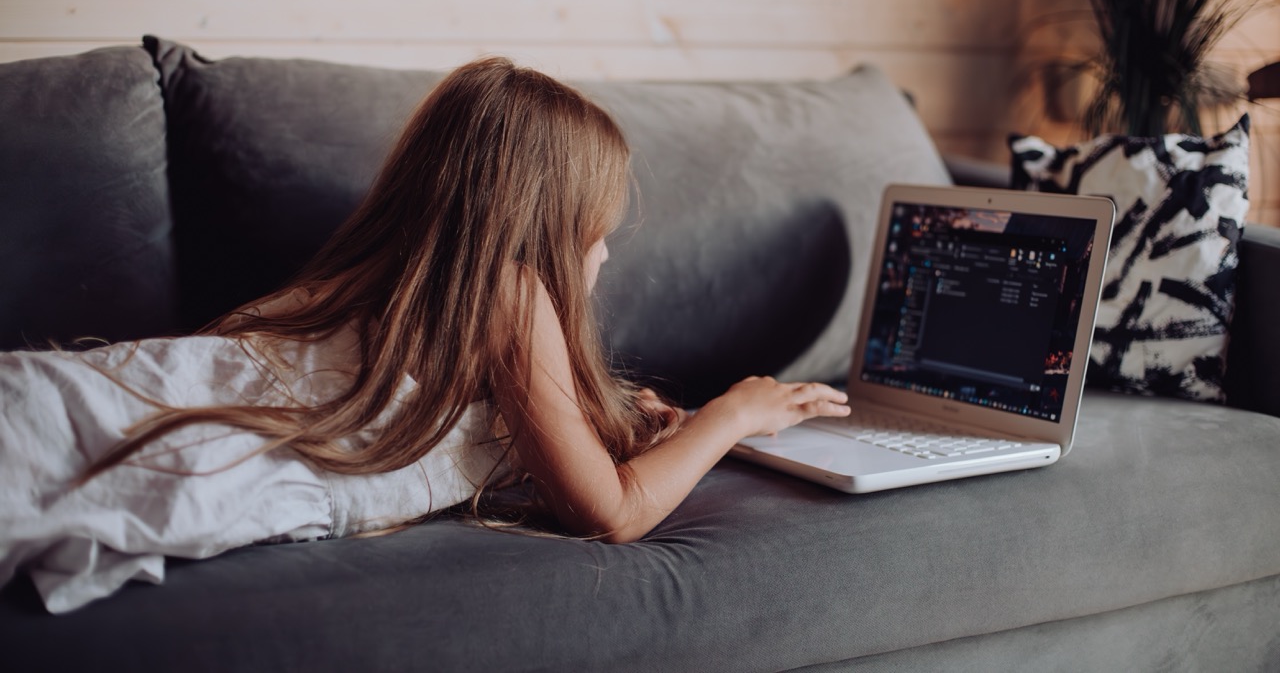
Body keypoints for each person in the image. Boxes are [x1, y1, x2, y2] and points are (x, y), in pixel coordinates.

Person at [0, 57, 850, 613]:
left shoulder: (410, 288)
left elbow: (493, 422)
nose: (603, 254)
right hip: (105, 413)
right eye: (597, 232)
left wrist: (623, 417)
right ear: (546, 229)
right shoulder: (513, 292)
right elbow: (611, 512)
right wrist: (730, 416)